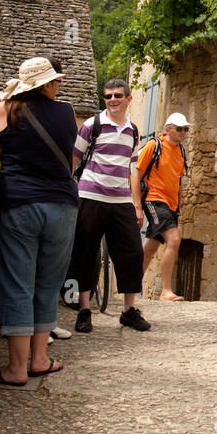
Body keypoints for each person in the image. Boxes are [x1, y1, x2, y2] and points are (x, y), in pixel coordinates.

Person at [0, 57, 78, 385]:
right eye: (56, 81)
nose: (58, 86)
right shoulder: (67, 112)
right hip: (63, 206)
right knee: (47, 285)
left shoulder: (7, 110)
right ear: (47, 84)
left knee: (18, 285)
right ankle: (39, 359)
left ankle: (15, 369)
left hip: (19, 204)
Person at [67, 79, 147, 334]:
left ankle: (128, 311)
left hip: (121, 200)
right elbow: (74, 159)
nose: (113, 100)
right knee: (86, 253)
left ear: (128, 98)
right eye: (108, 96)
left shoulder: (134, 130)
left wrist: (137, 205)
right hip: (91, 197)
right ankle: (84, 311)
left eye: (118, 96)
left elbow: (133, 168)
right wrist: (67, 192)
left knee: (133, 253)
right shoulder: (93, 125)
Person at [136, 113, 191, 303]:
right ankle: (166, 291)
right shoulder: (154, 146)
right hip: (154, 199)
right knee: (174, 240)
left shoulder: (181, 151)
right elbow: (137, 174)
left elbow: (179, 181)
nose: (183, 132)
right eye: (180, 129)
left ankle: (130, 285)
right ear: (168, 129)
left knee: (151, 247)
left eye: (186, 129)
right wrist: (137, 206)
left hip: (170, 205)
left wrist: (178, 206)